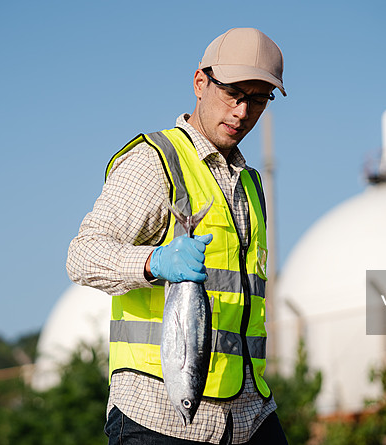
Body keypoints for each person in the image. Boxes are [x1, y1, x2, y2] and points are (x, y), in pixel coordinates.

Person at [66, 28, 289, 445]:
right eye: (233, 94)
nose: (242, 112)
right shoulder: (154, 161)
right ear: (200, 83)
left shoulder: (251, 184)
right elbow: (82, 256)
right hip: (160, 416)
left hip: (249, 413)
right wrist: (155, 262)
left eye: (258, 100)